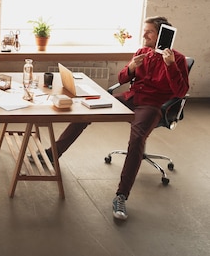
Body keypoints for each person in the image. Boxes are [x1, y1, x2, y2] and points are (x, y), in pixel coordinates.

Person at [37, 16, 189, 220]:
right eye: (144, 30)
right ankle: (52, 155)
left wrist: (170, 66)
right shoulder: (142, 52)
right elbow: (121, 79)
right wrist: (132, 68)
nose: (144, 35)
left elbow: (180, 91)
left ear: (161, 34)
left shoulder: (176, 59)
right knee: (85, 112)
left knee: (137, 139)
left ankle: (121, 196)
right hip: (130, 98)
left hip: (151, 106)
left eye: (149, 32)